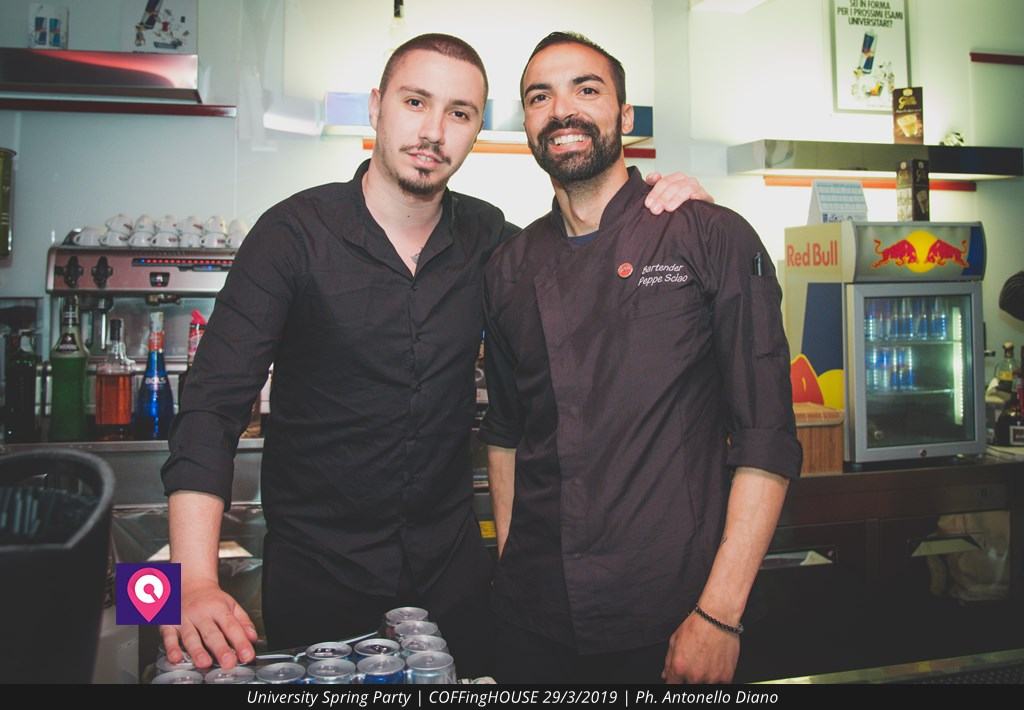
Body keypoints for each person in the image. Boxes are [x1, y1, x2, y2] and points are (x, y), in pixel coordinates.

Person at [159, 32, 711, 675]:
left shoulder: (493, 242)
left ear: (477, 129)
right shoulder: (292, 234)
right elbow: (210, 407)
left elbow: (592, 264)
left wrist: (672, 218)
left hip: (453, 586)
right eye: (415, 102)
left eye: (459, 113)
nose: (433, 131)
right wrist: (189, 582)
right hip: (316, 581)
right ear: (377, 107)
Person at [479, 32, 802, 684]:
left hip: (674, 617)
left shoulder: (709, 235)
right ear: (527, 124)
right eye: (540, 97)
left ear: (625, 116)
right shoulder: (509, 266)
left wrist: (719, 615)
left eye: (586, 89)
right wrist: (515, 568)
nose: (562, 110)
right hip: (534, 621)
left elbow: (766, 437)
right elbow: (507, 433)